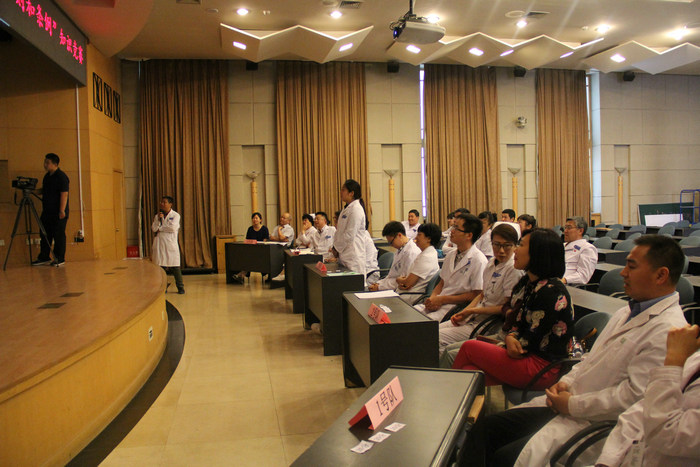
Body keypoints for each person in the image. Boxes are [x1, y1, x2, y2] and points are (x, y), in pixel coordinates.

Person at [470, 235, 687, 467]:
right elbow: (590, 359)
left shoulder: (668, 331)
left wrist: (572, 404)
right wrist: (566, 382)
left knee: (504, 457)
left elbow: (633, 398)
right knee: (486, 430)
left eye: (631, 267)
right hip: (567, 403)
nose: (623, 273)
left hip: (595, 422)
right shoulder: (627, 311)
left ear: (661, 275)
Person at [451, 228, 573, 392]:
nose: (515, 250)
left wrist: (511, 338)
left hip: (541, 366)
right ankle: (460, 405)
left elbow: (528, 342)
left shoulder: (551, 292)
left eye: (521, 245)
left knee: (469, 347)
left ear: (537, 253)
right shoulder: (530, 283)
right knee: (469, 371)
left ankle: (449, 398)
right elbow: (518, 321)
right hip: (524, 355)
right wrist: (511, 336)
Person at [596, 324, 700, 467]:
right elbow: (638, 413)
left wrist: (673, 360)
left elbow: (664, 432)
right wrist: (607, 461)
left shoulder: (679, 353)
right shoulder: (695, 359)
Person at [439, 223, 523, 358]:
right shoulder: (491, 263)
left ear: (515, 246)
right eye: (496, 245)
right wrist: (465, 312)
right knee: (432, 331)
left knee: (438, 339)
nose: (501, 251)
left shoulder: (513, 269)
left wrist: (473, 311)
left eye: (507, 246)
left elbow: (506, 307)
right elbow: (482, 294)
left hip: (488, 323)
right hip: (474, 316)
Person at [414, 213, 487, 322]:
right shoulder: (451, 255)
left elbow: (476, 294)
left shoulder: (478, 260)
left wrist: (443, 299)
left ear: (469, 235)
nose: (451, 231)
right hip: (439, 301)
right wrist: (433, 298)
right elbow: (442, 282)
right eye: (453, 227)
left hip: (455, 307)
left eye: (456, 228)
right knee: (410, 313)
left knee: (422, 323)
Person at [33, 153, 69, 267]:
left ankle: (59, 258)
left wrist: (62, 210)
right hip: (47, 211)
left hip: (58, 212)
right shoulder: (47, 176)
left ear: (55, 164)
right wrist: (32, 191)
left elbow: (64, 194)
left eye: (47, 163)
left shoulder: (61, 177)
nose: (45, 165)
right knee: (44, 234)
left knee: (58, 235)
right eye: (45, 162)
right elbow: (44, 190)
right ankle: (44, 257)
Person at [368, 221, 420, 292]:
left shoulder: (411, 253)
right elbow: (391, 276)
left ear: (399, 235)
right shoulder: (400, 250)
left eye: (391, 242)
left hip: (403, 291)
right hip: (393, 287)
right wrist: (378, 284)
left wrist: (380, 287)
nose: (391, 245)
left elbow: (403, 282)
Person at [395, 222, 441, 303]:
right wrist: (404, 281)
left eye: (419, 235)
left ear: (428, 239)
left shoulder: (427, 257)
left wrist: (398, 279)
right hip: (408, 293)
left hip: (413, 295)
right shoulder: (425, 253)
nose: (416, 238)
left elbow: (408, 283)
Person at [332, 179, 368, 280]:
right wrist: (335, 247)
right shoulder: (346, 208)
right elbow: (339, 232)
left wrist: (336, 248)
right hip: (344, 254)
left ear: (351, 193)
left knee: (354, 284)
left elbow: (349, 234)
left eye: (343, 190)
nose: (341, 192)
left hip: (353, 256)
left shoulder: (356, 209)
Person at [151, 196, 184, 294]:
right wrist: (159, 222)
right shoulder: (157, 216)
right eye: (161, 202)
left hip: (170, 244)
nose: (162, 204)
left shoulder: (175, 215)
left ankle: (180, 287)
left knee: (175, 266)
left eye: (164, 202)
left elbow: (172, 228)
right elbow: (154, 228)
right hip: (160, 244)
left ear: (170, 204)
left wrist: (160, 228)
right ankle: (163, 287)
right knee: (161, 267)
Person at [232, 212, 269, 284]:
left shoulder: (264, 229)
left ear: (260, 220)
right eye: (253, 218)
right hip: (251, 249)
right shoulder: (250, 229)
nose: (255, 220)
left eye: (256, 218)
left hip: (262, 250)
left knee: (252, 257)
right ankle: (241, 275)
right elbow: (247, 240)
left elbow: (265, 240)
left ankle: (242, 274)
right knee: (244, 256)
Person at [562, 215, 598, 286]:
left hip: (567, 285)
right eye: (565, 227)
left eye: (569, 228)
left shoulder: (587, 248)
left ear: (580, 231)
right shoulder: (562, 245)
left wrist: (564, 280)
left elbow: (583, 276)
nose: (565, 231)